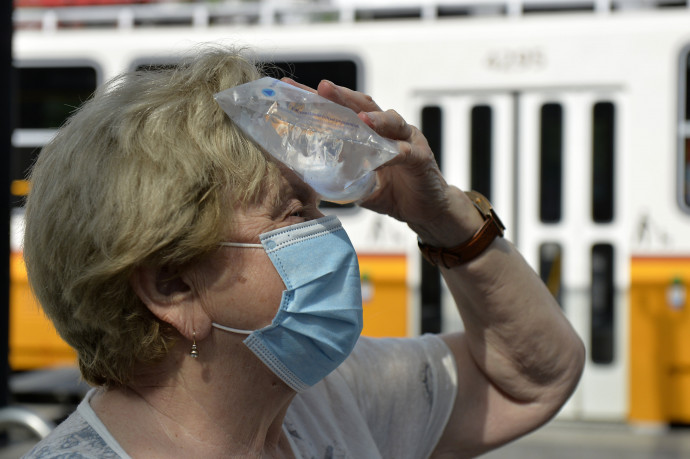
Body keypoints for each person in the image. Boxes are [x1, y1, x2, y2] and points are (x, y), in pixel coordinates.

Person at [22, 46, 584, 459]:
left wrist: (446, 219)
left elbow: (531, 380)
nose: (332, 236)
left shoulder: (326, 401)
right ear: (174, 287)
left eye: (319, 208)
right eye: (295, 214)